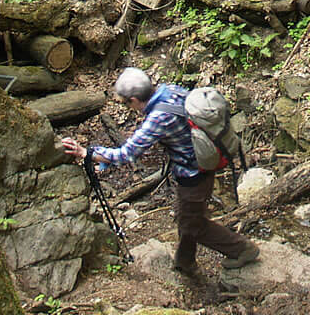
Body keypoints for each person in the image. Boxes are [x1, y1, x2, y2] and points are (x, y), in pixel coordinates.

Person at [59, 69, 261, 280]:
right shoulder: (170, 90)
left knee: (195, 226)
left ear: (135, 100)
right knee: (187, 218)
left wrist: (86, 153)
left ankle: (242, 250)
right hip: (203, 165)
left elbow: (126, 154)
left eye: (128, 104)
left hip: (193, 175)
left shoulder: (158, 118)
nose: (130, 108)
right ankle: (185, 263)